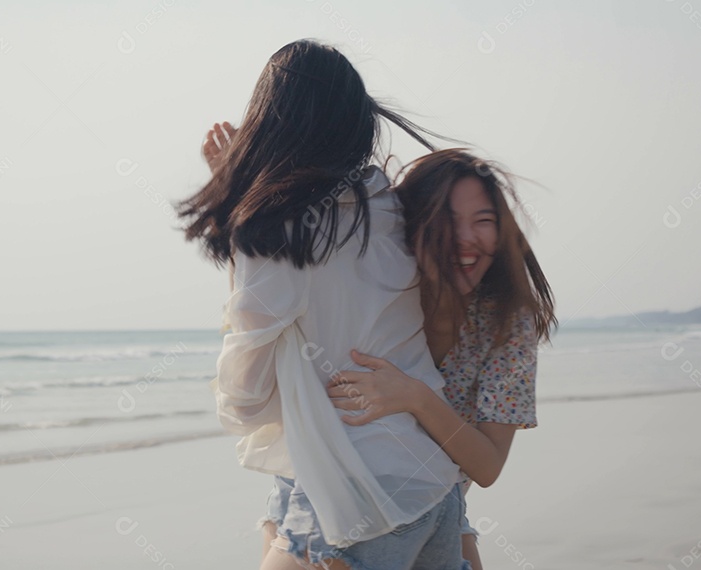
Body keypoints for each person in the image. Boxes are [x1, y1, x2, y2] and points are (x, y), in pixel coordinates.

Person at [180, 40, 469, 569]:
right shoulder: (393, 206)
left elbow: (245, 399)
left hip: (354, 498)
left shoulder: (277, 231)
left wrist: (239, 202)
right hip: (433, 484)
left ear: (271, 121)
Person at [323, 149, 557, 569]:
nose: (466, 238)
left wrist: (416, 397)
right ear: (413, 225)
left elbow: (487, 465)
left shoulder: (507, 322)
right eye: (447, 221)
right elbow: (268, 309)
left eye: (484, 221)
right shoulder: (379, 293)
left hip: (442, 501)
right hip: (340, 497)